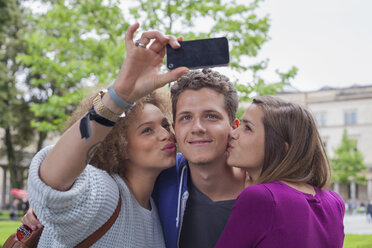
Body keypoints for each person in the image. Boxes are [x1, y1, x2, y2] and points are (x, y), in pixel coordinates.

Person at [22, 23, 189, 247]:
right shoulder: (106, 194)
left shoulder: (157, 205)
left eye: (165, 125)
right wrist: (119, 95)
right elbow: (52, 183)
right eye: (147, 130)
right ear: (119, 146)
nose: (165, 134)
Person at [215, 95, 345, 248]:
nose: (233, 133)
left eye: (247, 128)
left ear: (283, 149)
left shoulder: (260, 198)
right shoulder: (335, 202)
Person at [152, 69, 246, 248]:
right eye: (186, 117)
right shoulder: (158, 179)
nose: (197, 128)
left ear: (233, 127)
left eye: (211, 116)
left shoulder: (266, 187)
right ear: (175, 129)